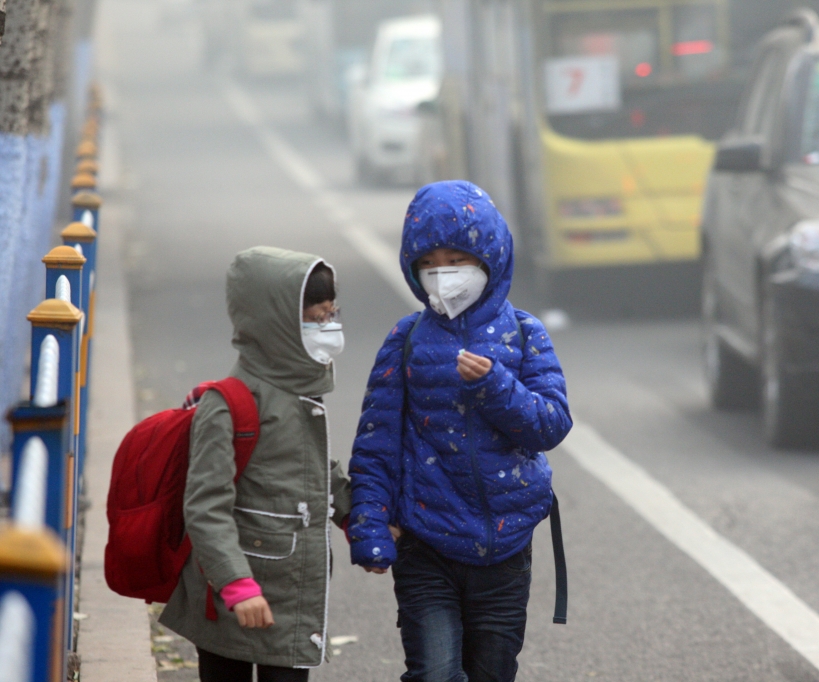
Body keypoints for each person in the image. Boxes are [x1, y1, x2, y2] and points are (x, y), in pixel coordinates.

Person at [348, 181, 573, 682]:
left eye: (458, 259)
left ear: (490, 257)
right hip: (426, 547)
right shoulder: (405, 341)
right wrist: (368, 522)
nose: (445, 273)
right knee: (435, 672)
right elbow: (376, 441)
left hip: (506, 549)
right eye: (432, 262)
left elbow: (551, 423)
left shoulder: (525, 333)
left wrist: (495, 384)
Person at [159, 247, 351, 682]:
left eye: (332, 313)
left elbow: (314, 465)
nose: (329, 327)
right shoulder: (227, 404)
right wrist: (236, 585)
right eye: (316, 318)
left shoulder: (301, 389)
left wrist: (355, 512)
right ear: (276, 324)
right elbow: (206, 506)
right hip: (234, 596)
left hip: (292, 592)